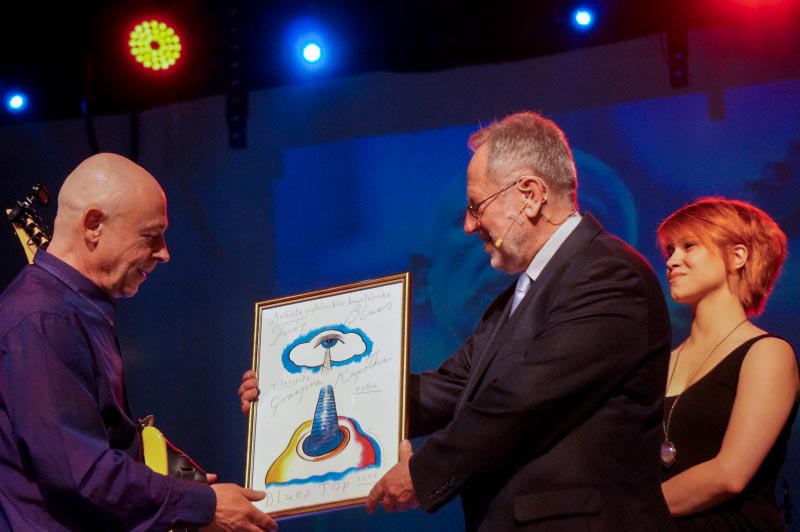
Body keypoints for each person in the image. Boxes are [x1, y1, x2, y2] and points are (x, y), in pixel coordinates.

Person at [240, 111, 675, 531]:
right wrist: (293, 396)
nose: (470, 225)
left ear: (529, 194)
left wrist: (425, 472)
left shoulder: (607, 273)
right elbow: (445, 390)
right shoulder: (515, 300)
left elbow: (525, 399)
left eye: (476, 206)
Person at [0, 153, 278, 531]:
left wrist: (272, 409)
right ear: (93, 225)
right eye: (151, 235)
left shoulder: (70, 310)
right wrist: (204, 505)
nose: (165, 252)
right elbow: (82, 475)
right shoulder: (44, 318)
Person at [656, 197, 799, 530]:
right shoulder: (662, 362)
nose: (672, 261)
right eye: (670, 250)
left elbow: (729, 474)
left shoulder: (767, 353)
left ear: (738, 256)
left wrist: (628, 510)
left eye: (689, 246)